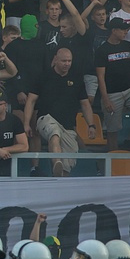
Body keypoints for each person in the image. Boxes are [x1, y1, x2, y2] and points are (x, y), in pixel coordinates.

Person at [23, 47, 96, 177]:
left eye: (69, 61)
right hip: (46, 119)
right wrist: (26, 123)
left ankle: (60, 177)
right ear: (56, 59)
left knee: (68, 162)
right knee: (54, 133)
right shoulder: (43, 76)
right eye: (64, 61)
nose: (67, 64)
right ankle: (56, 161)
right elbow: (31, 100)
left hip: (68, 126)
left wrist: (91, 125)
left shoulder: (77, 79)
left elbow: (85, 104)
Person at [94, 17, 130, 150]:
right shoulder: (102, 50)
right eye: (122, 30)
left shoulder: (128, 45)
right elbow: (100, 77)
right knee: (112, 129)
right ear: (114, 30)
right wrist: (105, 99)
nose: (125, 32)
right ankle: (113, 156)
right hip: (112, 93)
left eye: (126, 29)